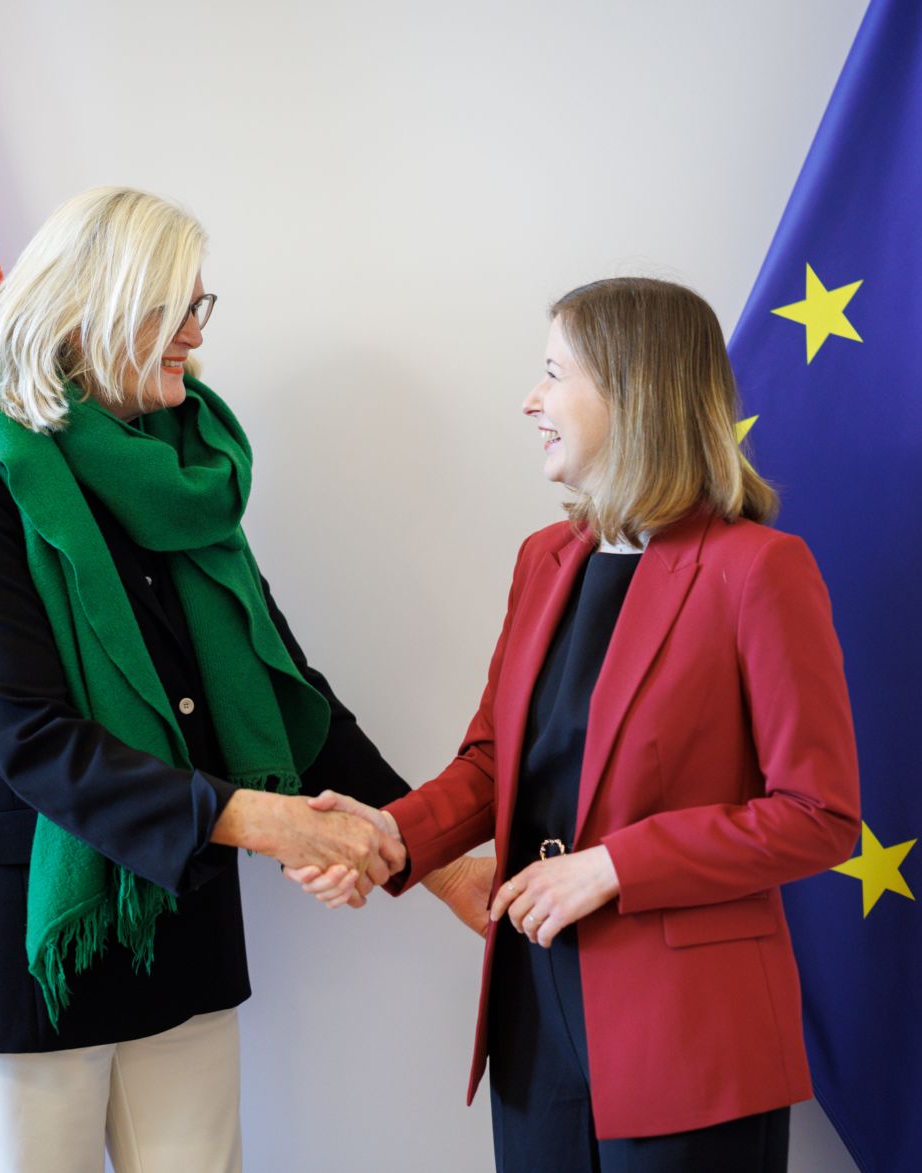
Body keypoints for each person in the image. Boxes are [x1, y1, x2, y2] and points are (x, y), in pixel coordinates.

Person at [0, 186, 485, 1173]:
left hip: (177, 922)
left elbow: (283, 694)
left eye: (201, 309)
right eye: (178, 310)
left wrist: (433, 857)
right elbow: (34, 743)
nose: (194, 336)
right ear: (98, 311)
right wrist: (266, 820)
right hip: (30, 941)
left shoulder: (183, 473)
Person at [293, 277, 862, 1172]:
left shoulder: (759, 570)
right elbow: (493, 763)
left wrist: (614, 866)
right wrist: (389, 836)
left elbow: (817, 813)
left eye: (553, 373)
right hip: (534, 1004)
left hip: (690, 1031)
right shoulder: (544, 558)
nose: (531, 399)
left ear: (633, 391)